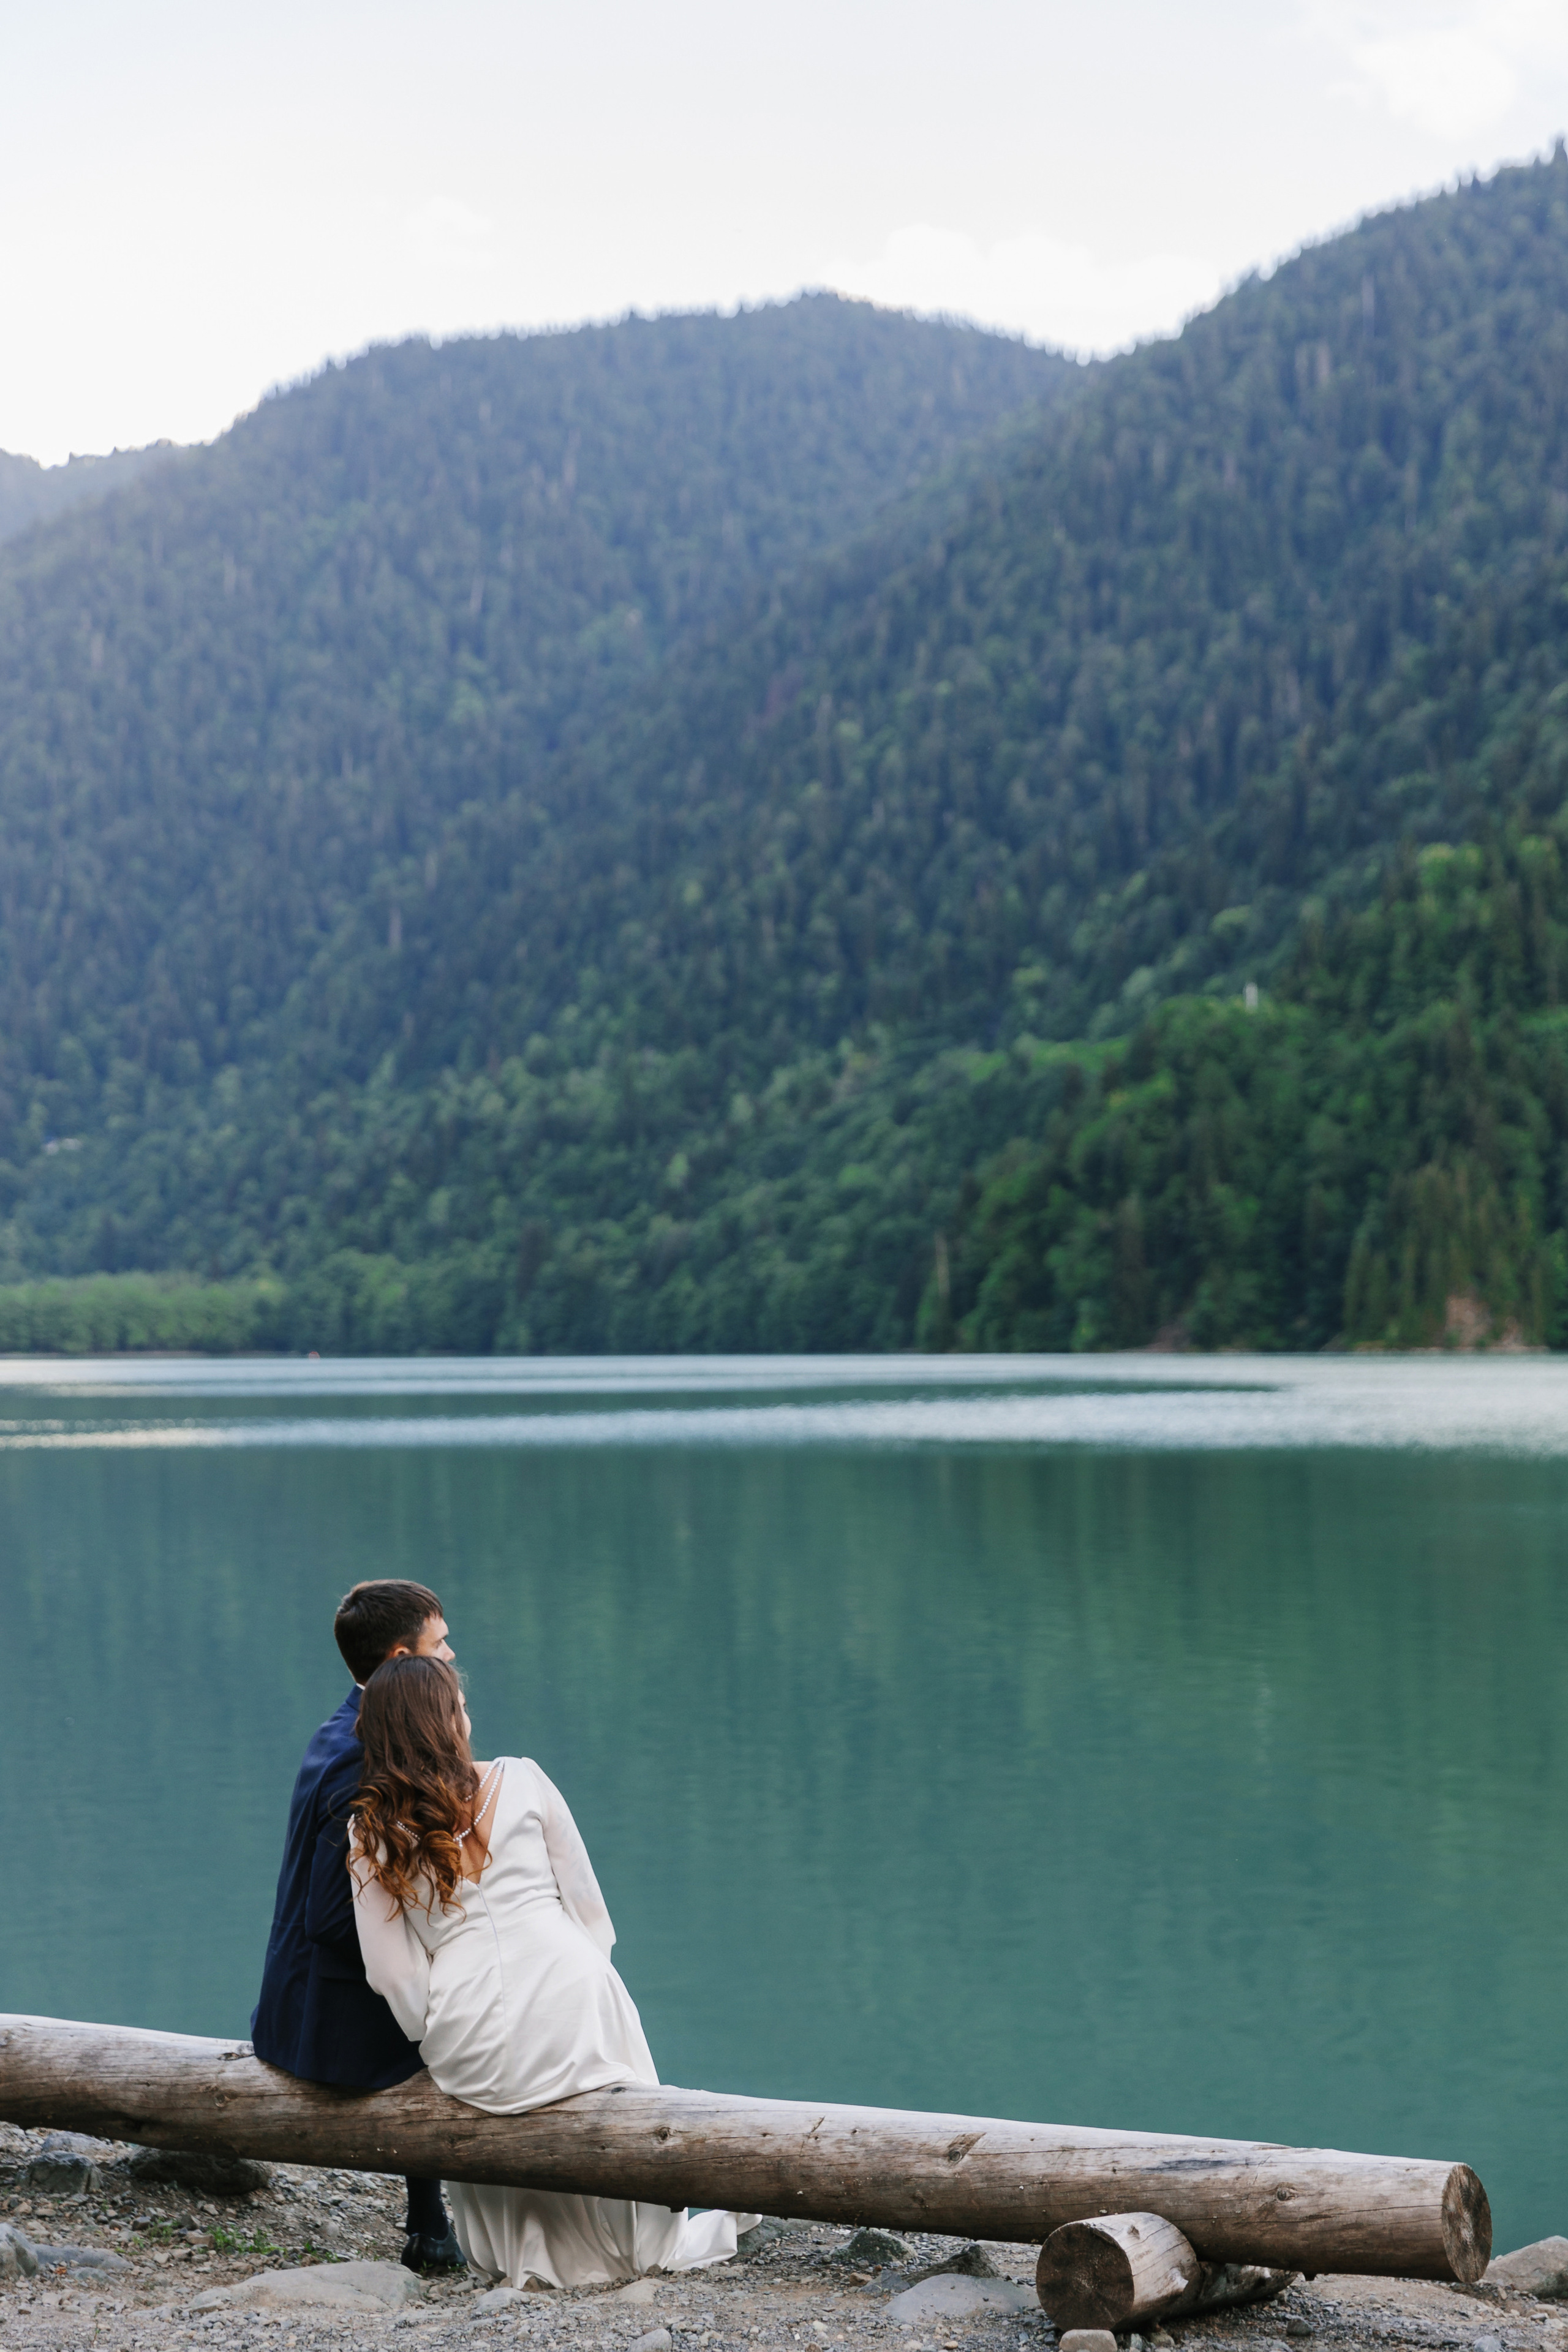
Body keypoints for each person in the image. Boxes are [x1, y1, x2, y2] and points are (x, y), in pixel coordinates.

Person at [348, 1654, 756, 2289]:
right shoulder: (524, 1779)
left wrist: (434, 2037)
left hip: (467, 2037)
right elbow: (592, 1914)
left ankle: (530, 2249)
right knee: (604, 2038)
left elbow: (393, 1977)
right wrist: (582, 1986)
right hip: (575, 2006)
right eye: (461, 1704)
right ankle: (628, 2235)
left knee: (497, 2084)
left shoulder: (370, 1832)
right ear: (449, 1720)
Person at [252, 1580, 464, 2273]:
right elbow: (328, 1916)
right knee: (471, 2018)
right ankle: (442, 2224)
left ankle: (431, 2218)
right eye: (440, 1644)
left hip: (292, 2006)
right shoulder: (361, 1759)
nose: (452, 1653)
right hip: (329, 2030)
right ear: (404, 1656)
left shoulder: (344, 1728)